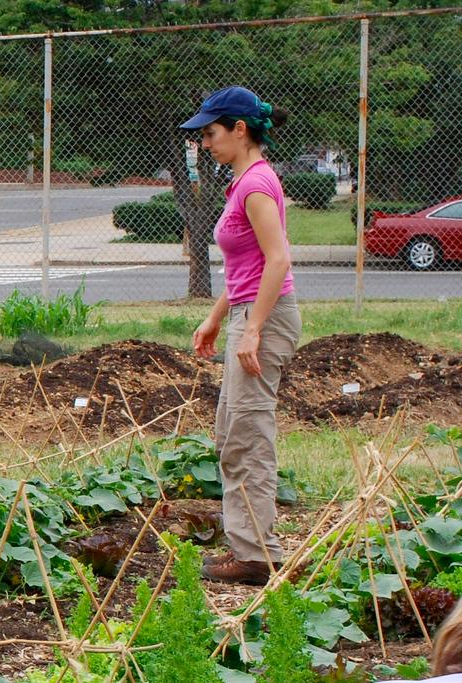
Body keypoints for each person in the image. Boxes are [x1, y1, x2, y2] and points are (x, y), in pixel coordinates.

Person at [180, 86, 301, 586]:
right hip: (250, 312)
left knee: (248, 435)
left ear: (239, 129)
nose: (205, 142)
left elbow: (279, 260)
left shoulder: (254, 185)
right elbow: (248, 268)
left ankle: (259, 556)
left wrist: (251, 330)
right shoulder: (244, 182)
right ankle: (249, 547)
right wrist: (216, 317)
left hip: (264, 320)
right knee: (233, 432)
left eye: (210, 133)